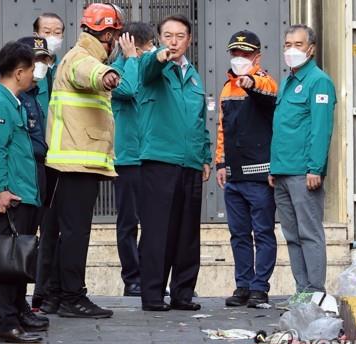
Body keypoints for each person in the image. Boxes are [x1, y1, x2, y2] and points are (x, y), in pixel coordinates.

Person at [44, 3, 124, 318]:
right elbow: (88, 74)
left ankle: (54, 296)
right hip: (76, 164)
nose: (116, 40)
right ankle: (72, 298)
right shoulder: (83, 58)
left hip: (72, 163)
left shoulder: (83, 55)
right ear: (106, 33)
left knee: (64, 233)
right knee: (76, 233)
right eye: (114, 33)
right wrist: (107, 75)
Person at [138, 14, 212, 311]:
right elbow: (147, 69)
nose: (174, 41)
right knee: (159, 231)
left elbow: (199, 121)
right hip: (160, 160)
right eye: (168, 35)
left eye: (180, 36)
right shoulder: (154, 67)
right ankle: (153, 295)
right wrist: (159, 56)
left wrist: (205, 156)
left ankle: (183, 292)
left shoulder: (193, 75)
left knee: (187, 232)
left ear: (189, 39)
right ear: (159, 38)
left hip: (191, 163)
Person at [0, 41, 46, 342]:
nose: (34, 75)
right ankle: (4, 323)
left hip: (23, 194)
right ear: (19, 72)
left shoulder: (12, 102)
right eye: (31, 70)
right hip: (10, 196)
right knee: (5, 262)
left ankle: (17, 312)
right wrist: (1, 190)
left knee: (19, 259)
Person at [269, 24, 336, 296]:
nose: (291, 50)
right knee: (292, 236)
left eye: (298, 44)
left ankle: (316, 292)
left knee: (309, 234)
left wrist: (315, 168)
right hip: (283, 170)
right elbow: (282, 127)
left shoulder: (319, 81)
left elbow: (321, 129)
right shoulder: (287, 82)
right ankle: (302, 292)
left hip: (304, 172)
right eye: (287, 44)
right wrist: (273, 166)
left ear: (311, 48)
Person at [214, 30, 278, 308]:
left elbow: (267, 91)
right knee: (238, 234)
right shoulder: (227, 89)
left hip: (260, 174)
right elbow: (221, 129)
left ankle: (259, 287)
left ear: (257, 56)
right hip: (234, 176)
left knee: (262, 232)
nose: (239, 58)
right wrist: (220, 163)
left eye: (245, 53)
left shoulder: (265, 82)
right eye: (235, 53)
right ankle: (243, 285)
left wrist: (251, 81)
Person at [111, 22, 155, 297]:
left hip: (153, 155)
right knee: (128, 222)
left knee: (154, 222)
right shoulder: (115, 69)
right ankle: (132, 277)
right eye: (149, 46)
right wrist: (129, 59)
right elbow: (125, 90)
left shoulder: (150, 66)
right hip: (127, 158)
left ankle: (152, 274)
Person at [31, 12, 66, 311]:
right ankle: (32, 292)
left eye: (57, 32)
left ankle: (47, 290)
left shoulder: (64, 68)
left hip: (61, 160)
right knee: (35, 226)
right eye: (46, 31)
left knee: (54, 227)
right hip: (36, 160)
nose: (52, 36)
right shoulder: (31, 71)